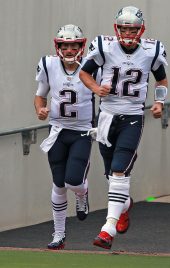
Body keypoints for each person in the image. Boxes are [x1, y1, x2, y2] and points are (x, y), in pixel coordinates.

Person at [79, 6, 168, 250]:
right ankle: (124, 205)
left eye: (133, 29)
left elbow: (161, 79)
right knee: (110, 174)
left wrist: (159, 102)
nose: (128, 33)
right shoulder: (104, 46)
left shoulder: (152, 50)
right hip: (107, 117)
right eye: (124, 28)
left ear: (141, 30)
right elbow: (85, 73)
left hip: (132, 117)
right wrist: (96, 89)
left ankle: (107, 229)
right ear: (117, 29)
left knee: (119, 171)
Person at [34, 24, 93, 250]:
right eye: (65, 45)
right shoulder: (49, 65)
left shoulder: (91, 66)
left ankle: (82, 193)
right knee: (59, 183)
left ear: (81, 46)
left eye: (73, 45)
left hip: (81, 131)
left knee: (73, 180)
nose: (69, 50)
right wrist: (40, 110)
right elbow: (40, 96)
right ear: (58, 46)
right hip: (57, 130)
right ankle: (58, 235)